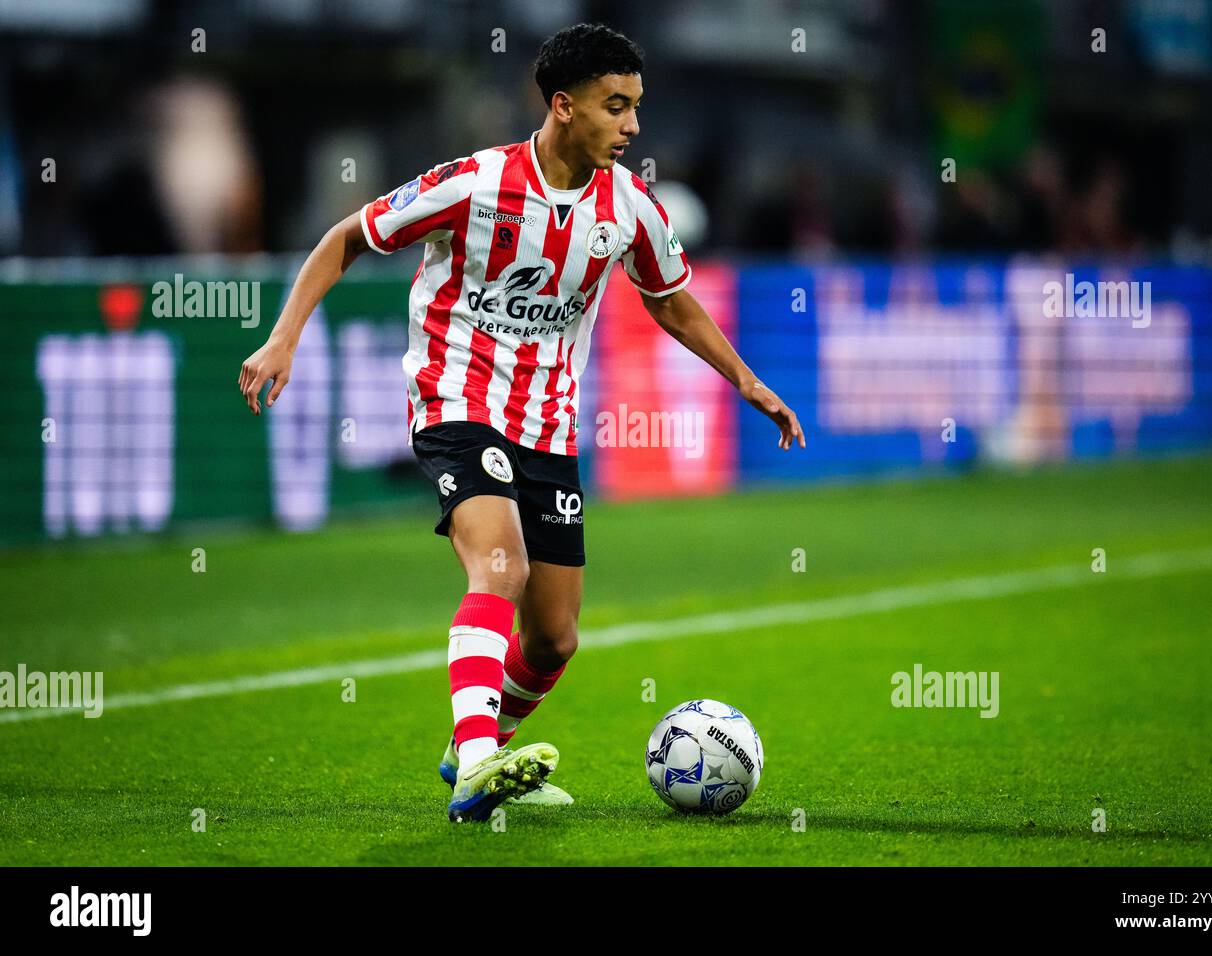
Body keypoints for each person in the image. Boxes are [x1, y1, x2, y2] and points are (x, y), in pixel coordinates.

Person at [238, 23, 804, 823]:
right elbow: (347, 238)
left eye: (638, 107)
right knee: (498, 567)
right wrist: (283, 335)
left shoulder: (629, 208)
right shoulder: (474, 184)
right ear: (564, 106)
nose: (633, 126)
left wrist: (747, 379)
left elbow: (669, 299)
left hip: (547, 427)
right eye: (618, 107)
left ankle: (474, 744)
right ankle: (477, 765)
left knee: (554, 640)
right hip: (456, 404)